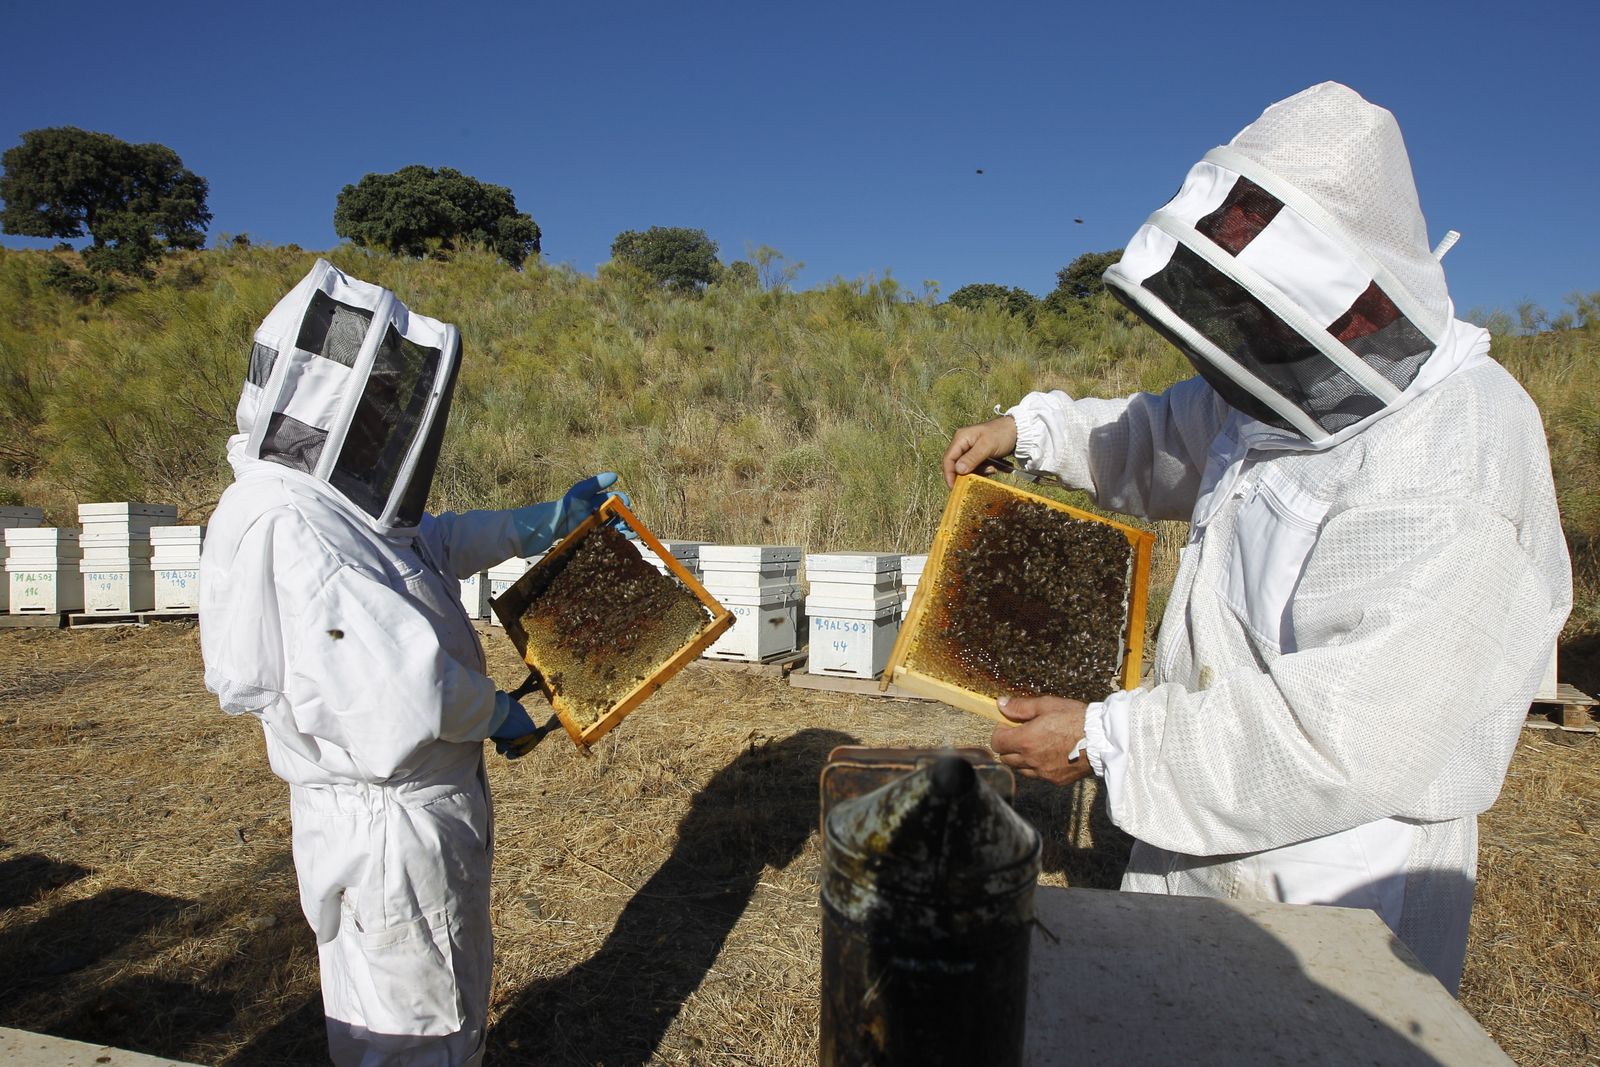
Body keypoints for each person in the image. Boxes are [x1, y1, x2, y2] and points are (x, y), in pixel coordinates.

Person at [943, 82, 1571, 994]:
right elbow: (1160, 435)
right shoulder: (1285, 387)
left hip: (1339, 871)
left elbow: (1356, 730)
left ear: (1352, 299)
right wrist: (1028, 431)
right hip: (1204, 818)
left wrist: (1113, 743)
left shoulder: (1459, 447)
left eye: (1265, 314)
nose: (1245, 343)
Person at [199, 259, 624, 1065]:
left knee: (435, 999)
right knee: (413, 1032)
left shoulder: (329, 506)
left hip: (408, 808)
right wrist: (494, 709)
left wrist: (531, 525)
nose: (390, 425)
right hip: (390, 825)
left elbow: (423, 543)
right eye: (377, 408)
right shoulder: (291, 528)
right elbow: (401, 686)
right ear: (334, 410)